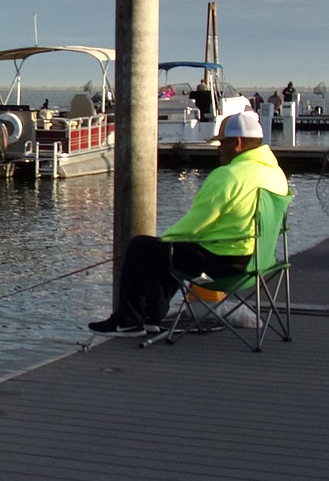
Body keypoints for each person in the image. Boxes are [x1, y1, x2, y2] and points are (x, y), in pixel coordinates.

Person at [89, 111, 289, 337]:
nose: (218, 149)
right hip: (257, 261)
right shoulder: (276, 174)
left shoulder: (228, 175)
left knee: (143, 247)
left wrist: (166, 239)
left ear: (237, 143)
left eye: (222, 143)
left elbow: (195, 225)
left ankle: (129, 321)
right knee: (172, 252)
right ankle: (150, 319)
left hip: (223, 263)